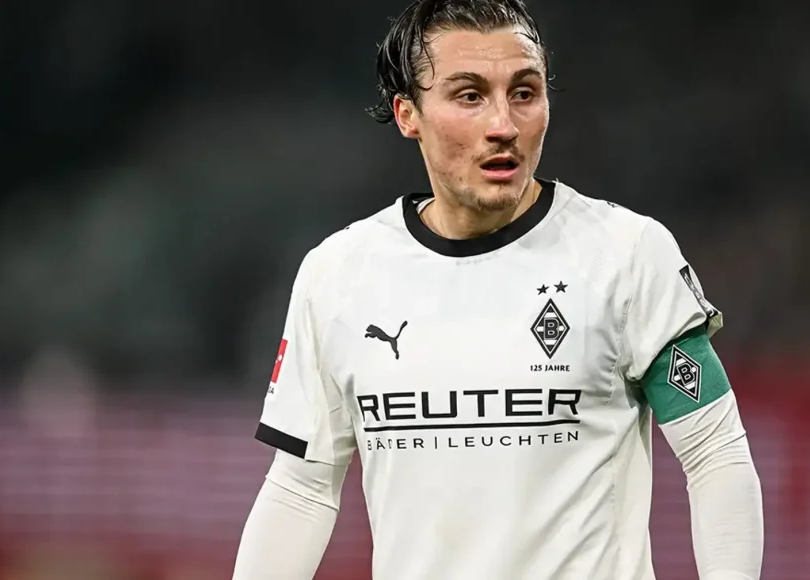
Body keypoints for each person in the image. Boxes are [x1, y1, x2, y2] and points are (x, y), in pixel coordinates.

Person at [231, 1, 763, 578]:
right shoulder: (338, 275)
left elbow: (715, 453)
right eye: (470, 95)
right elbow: (300, 490)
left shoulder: (627, 255)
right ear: (408, 114)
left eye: (524, 92)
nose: (504, 125)